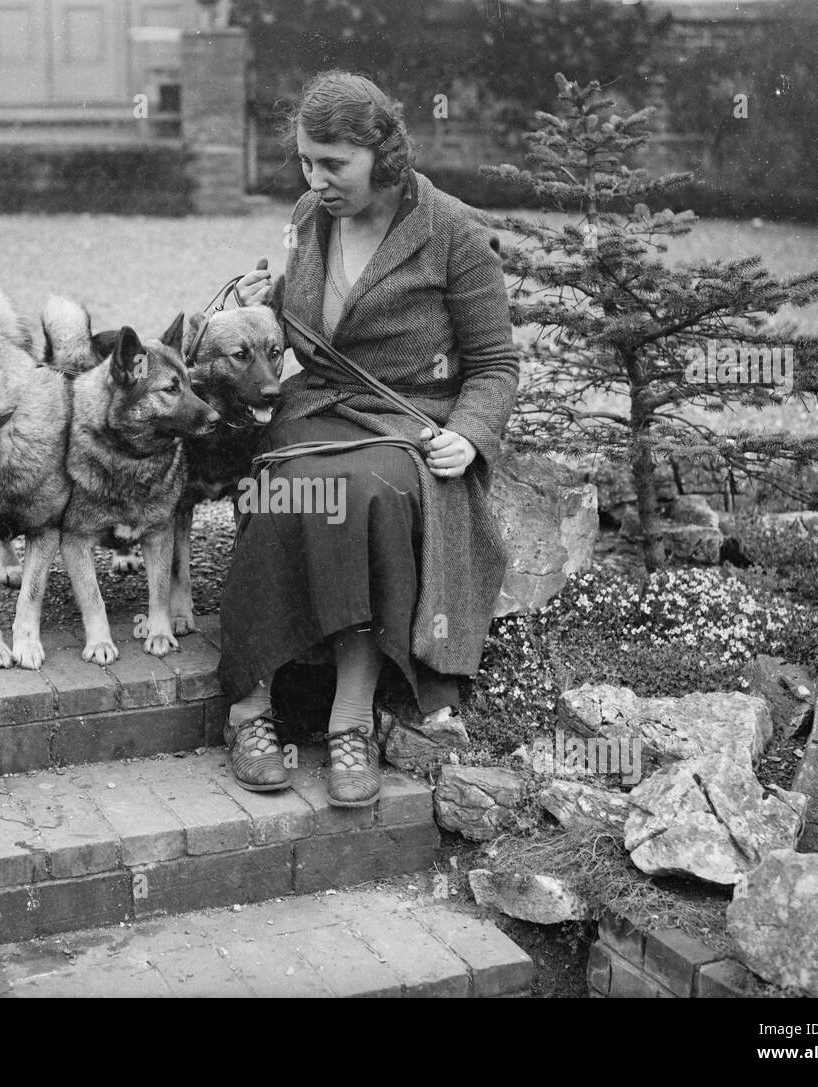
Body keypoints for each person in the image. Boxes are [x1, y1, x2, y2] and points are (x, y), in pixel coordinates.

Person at [218, 70, 519, 807]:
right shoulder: (308, 215)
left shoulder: (452, 231)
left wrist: (470, 435)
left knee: (358, 494)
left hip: (404, 420)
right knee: (281, 483)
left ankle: (349, 719)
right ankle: (248, 706)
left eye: (332, 164)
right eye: (304, 161)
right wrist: (273, 304)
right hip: (317, 404)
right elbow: (319, 322)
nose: (314, 179)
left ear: (382, 154)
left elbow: (495, 365)